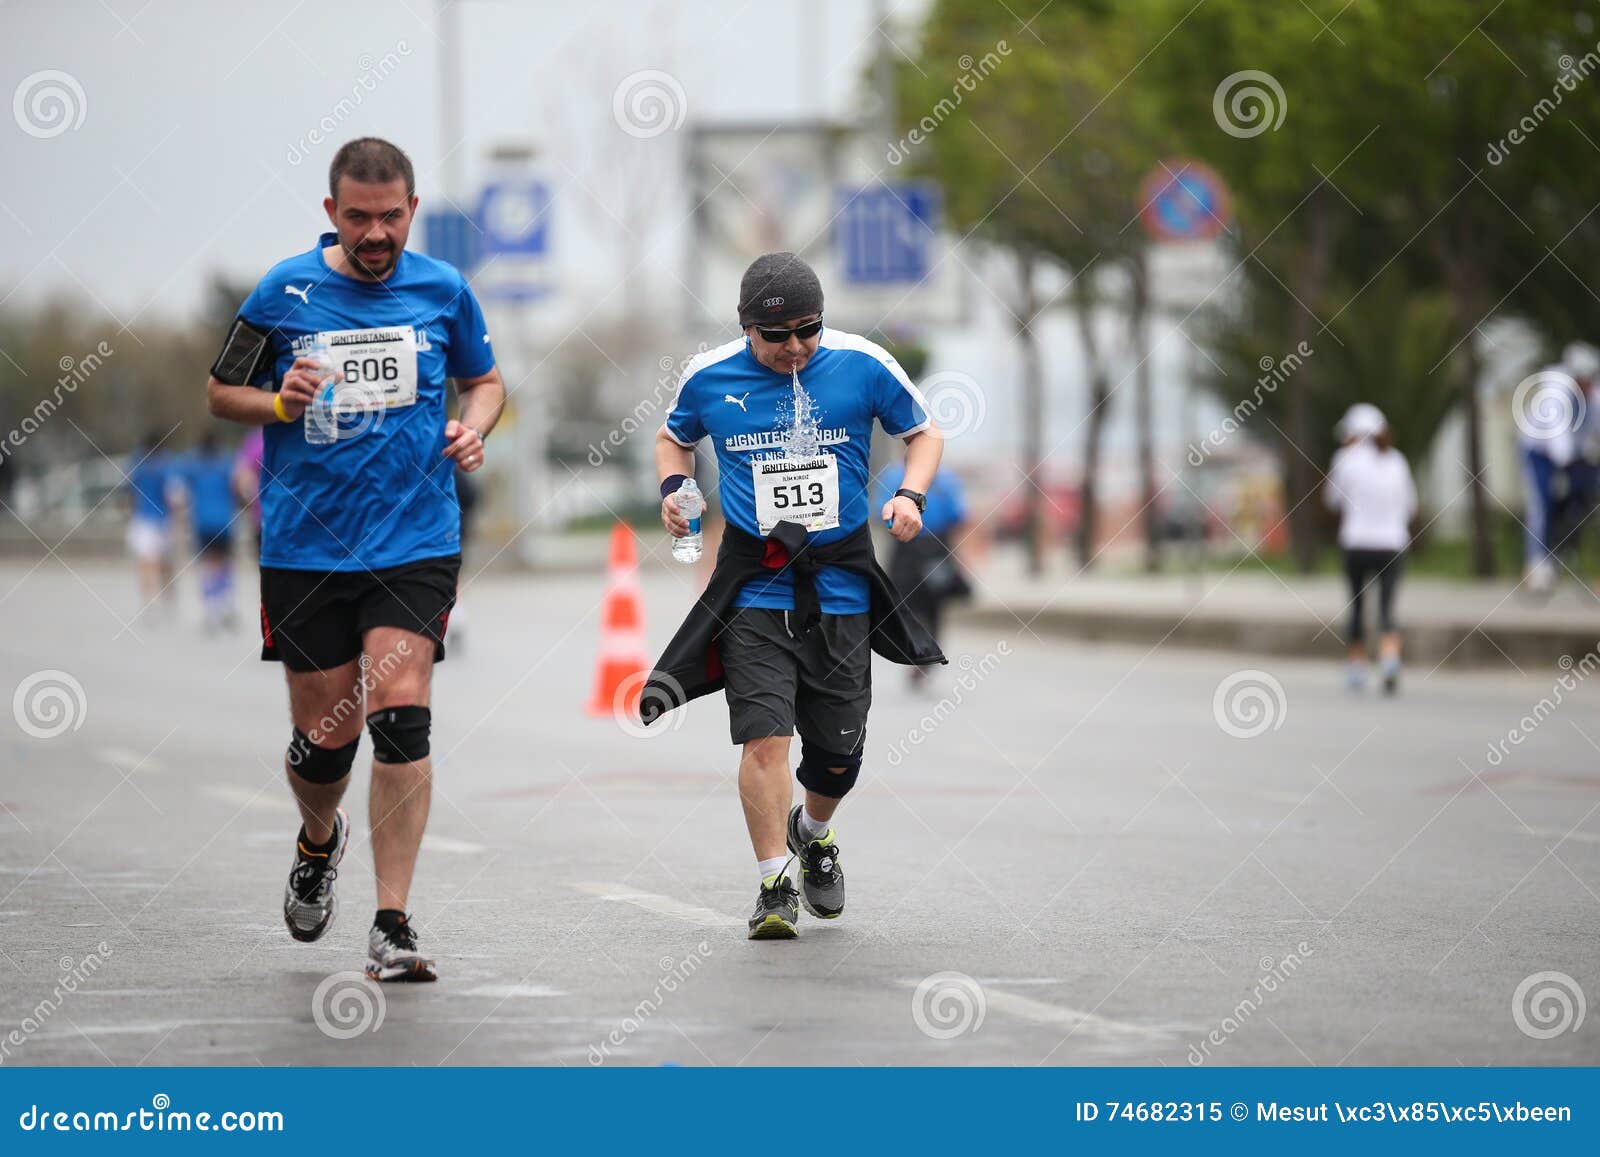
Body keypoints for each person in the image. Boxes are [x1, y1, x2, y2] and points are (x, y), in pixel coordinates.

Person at [205, 138, 504, 982]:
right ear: (332, 213)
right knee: (322, 743)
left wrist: (473, 423)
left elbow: (485, 380)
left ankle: (393, 923)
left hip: (415, 539)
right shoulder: (282, 291)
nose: (377, 234)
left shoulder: (444, 290)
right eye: (361, 217)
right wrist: (273, 399)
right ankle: (317, 837)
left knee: (401, 708)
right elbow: (219, 390)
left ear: (412, 210)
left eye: (392, 216)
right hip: (304, 545)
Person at [645, 251, 947, 939]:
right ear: (747, 328)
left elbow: (923, 431)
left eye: (808, 330)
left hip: (841, 585)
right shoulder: (710, 376)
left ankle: (813, 830)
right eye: (776, 336)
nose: (795, 348)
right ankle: (773, 884)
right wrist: (673, 489)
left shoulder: (862, 364)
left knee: (839, 755)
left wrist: (909, 493)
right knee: (763, 739)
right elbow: (673, 438)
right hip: (755, 586)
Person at [1324, 403, 1416, 694]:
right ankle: (1389, 658)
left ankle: (1356, 665)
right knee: (1388, 606)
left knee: (1358, 605)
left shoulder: (1345, 460)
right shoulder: (1397, 461)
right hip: (1392, 544)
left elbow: (1332, 500)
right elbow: (1410, 505)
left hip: (1357, 543)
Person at [876, 461, 971, 688]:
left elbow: (958, 517)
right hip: (905, 546)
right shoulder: (893, 477)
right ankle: (917, 652)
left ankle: (928, 655)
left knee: (935, 604)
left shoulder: (947, 480)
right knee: (905, 601)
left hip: (937, 546)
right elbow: (880, 511)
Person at [1520, 343, 1598, 591]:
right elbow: (1558, 438)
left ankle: (1565, 548)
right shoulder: (1556, 392)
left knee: (1580, 498)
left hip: (1569, 455)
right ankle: (1535, 565)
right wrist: (1571, 461)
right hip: (1539, 453)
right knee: (1542, 503)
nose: (1587, 385)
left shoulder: (1593, 394)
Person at [177, 431, 243, 632]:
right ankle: (227, 603)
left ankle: (210, 608)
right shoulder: (226, 462)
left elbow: (179, 494)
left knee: (207, 564)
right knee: (225, 562)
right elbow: (238, 488)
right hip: (224, 521)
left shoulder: (192, 464)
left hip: (201, 521)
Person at [126, 431, 176, 621]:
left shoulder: (137, 462)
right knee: (161, 563)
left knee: (146, 563)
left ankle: (149, 601)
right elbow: (171, 496)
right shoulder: (165, 463)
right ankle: (163, 599)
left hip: (143, 519)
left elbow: (131, 493)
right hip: (161, 519)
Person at [232, 426, 264, 556]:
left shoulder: (255, 441)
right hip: (264, 519)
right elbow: (242, 477)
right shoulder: (255, 441)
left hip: (263, 518)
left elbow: (240, 477)